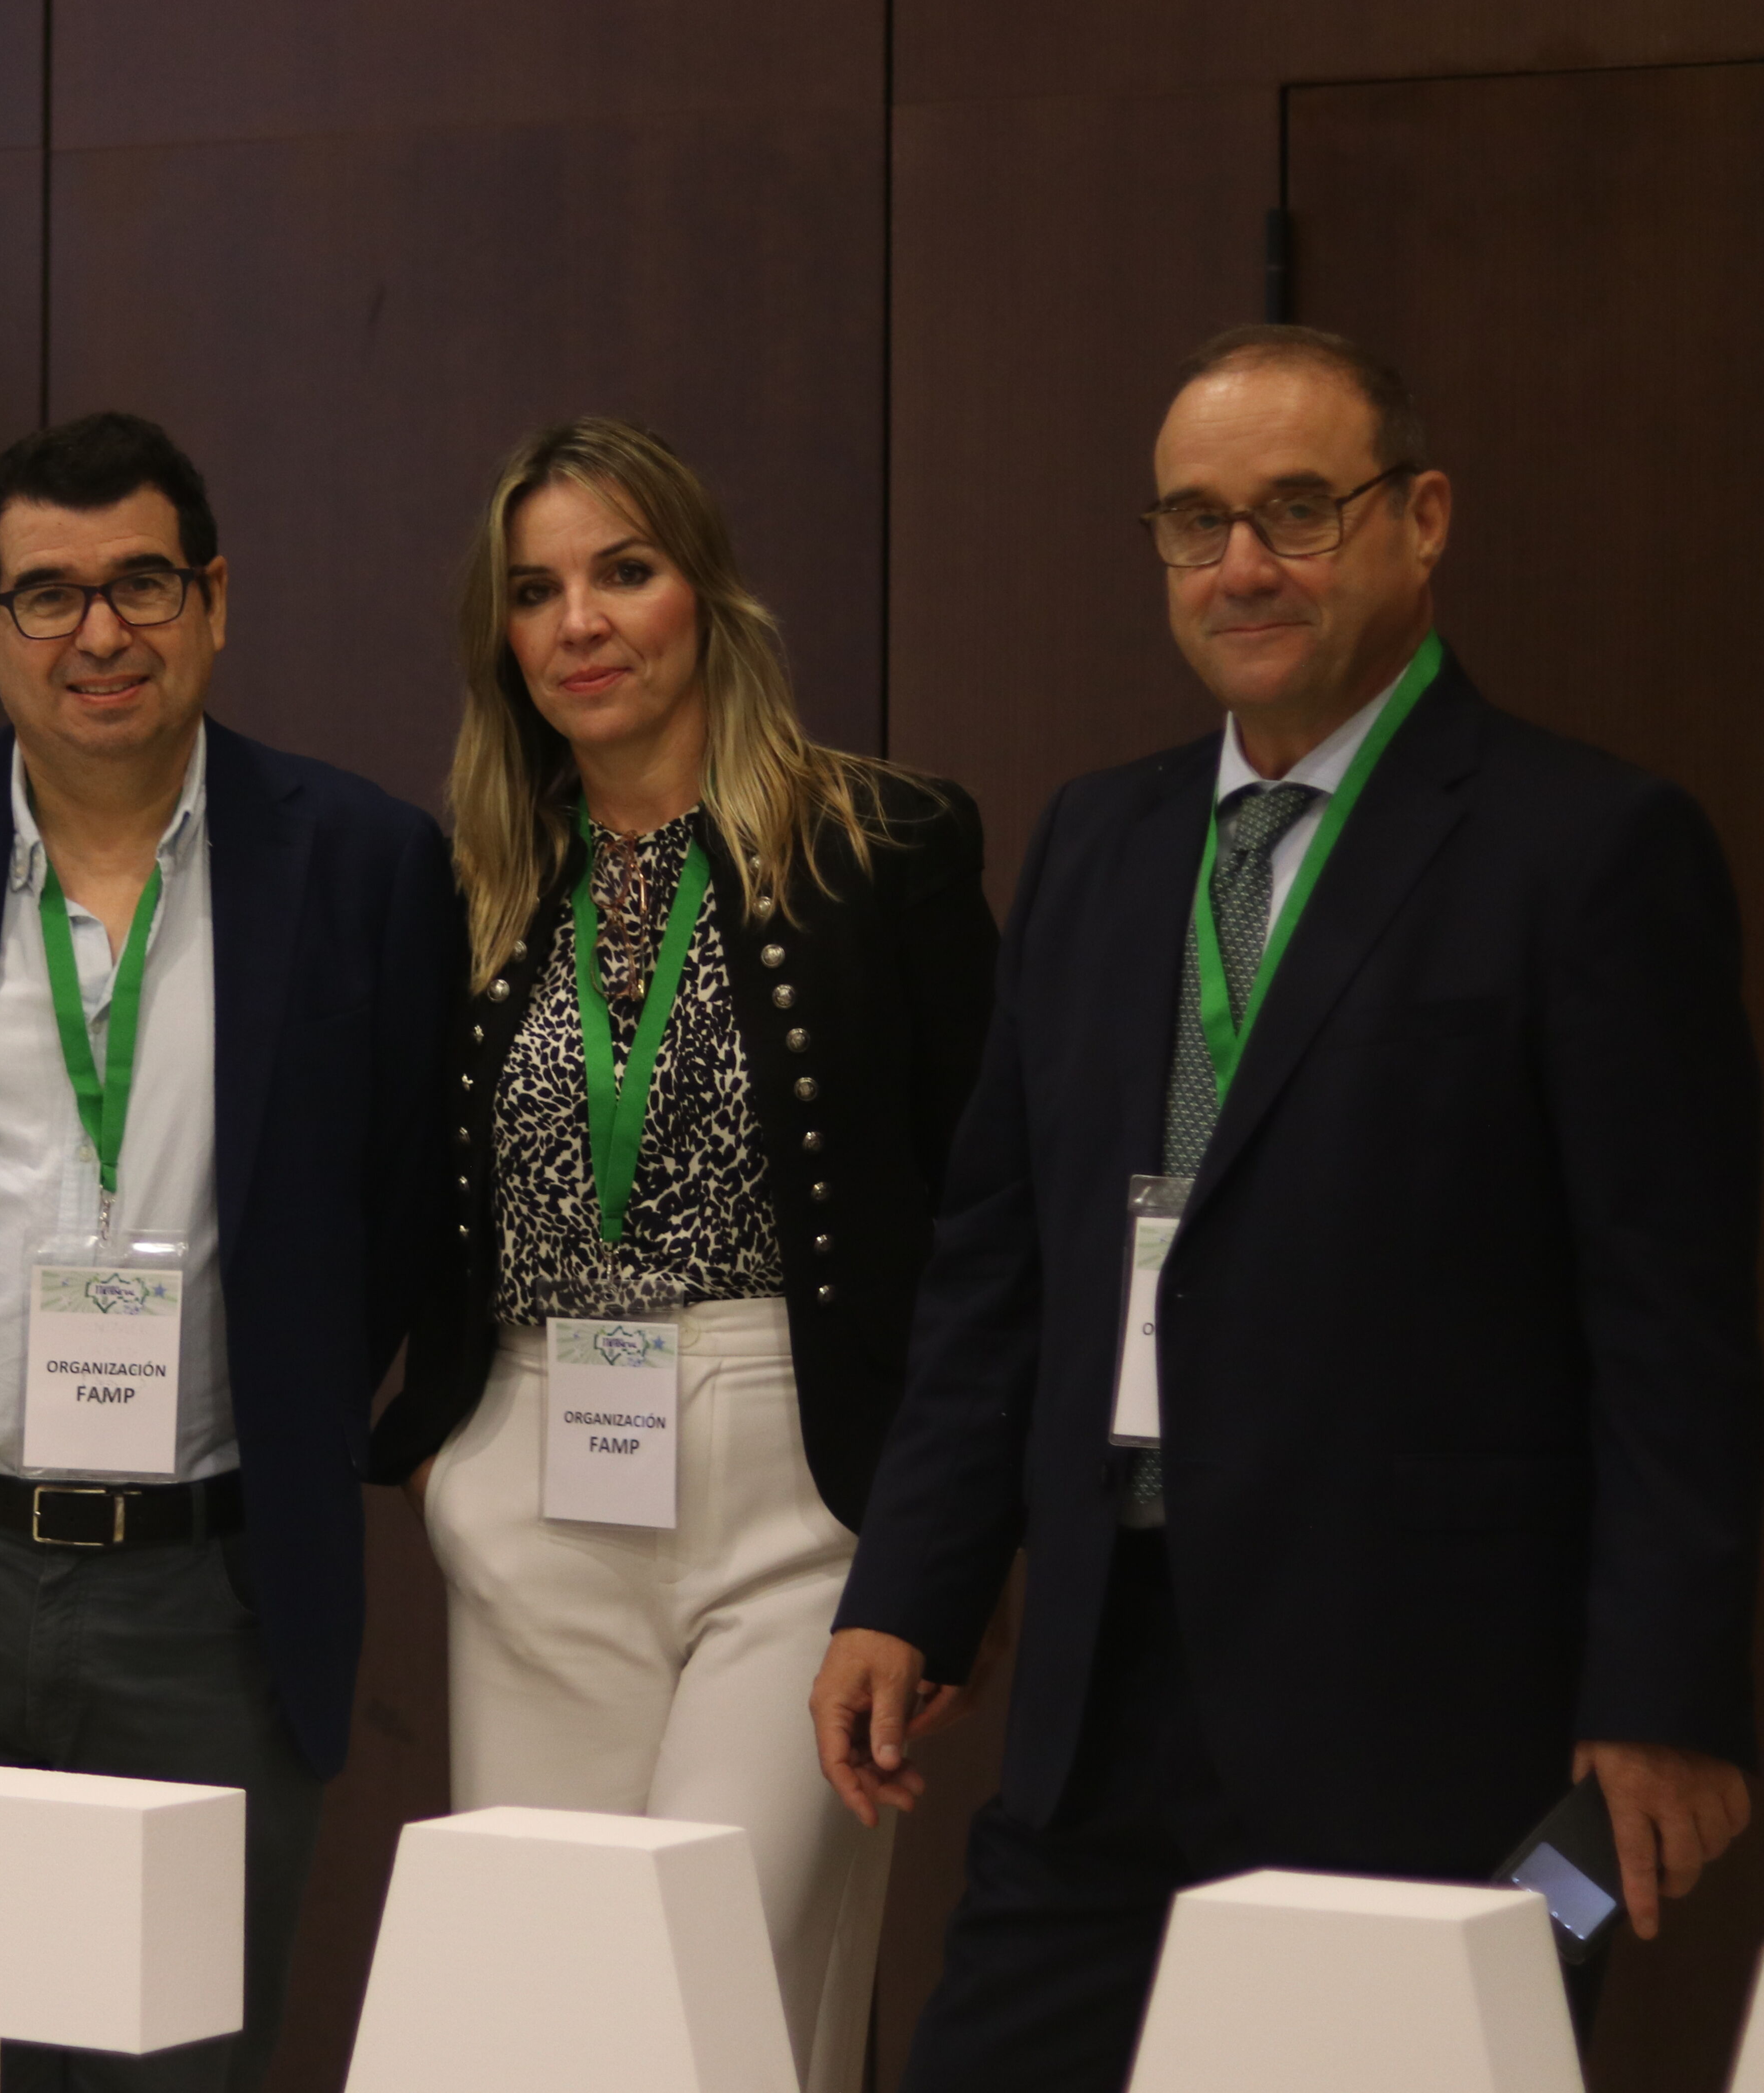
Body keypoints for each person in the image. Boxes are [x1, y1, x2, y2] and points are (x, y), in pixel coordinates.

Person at [811, 325, 1761, 2091]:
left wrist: (1666, 1696)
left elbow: (1677, 1323)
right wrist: (910, 1589)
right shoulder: (1097, 842)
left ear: (1421, 517)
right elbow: (997, 1267)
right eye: (1195, 522)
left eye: (1295, 511)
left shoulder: (1586, 849)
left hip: (1434, 1717)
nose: (1240, 564)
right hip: (1106, 1694)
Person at [0, 410, 458, 2090]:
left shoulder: (360, 864)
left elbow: (402, 1207)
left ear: (214, 600)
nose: (99, 635)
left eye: (142, 584)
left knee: (179, 2066)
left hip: (208, 1599)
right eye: (47, 595)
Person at [360, 417, 995, 2093]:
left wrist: (941, 1560)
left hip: (800, 1500)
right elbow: (402, 1191)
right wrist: (437, 1448)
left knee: (718, 2007)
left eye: (622, 573)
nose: (579, 622)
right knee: (539, 2027)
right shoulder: (472, 878)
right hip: (538, 1495)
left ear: (704, 592)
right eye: (534, 592)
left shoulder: (881, 845)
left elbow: (983, 1216)